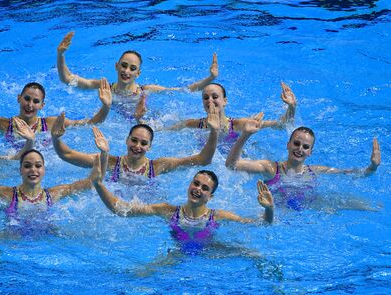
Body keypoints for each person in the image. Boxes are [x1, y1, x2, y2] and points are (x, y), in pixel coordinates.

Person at [89, 152, 274, 255]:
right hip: (177, 253)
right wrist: (98, 184)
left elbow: (260, 223)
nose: (198, 189)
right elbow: (120, 209)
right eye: (196, 183)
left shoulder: (217, 216)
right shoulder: (166, 210)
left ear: (210, 197)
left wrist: (269, 209)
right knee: (142, 275)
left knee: (253, 254)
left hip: (210, 251)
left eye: (204, 188)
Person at [225, 118, 381, 210]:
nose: (300, 149)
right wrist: (245, 135)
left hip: (309, 209)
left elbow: (351, 173)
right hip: (279, 213)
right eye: (296, 143)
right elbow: (232, 165)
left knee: (354, 204)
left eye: (305, 147)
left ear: (310, 152)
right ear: (288, 145)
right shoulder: (271, 168)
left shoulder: (315, 170)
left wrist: (372, 167)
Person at [57, 31, 218, 120]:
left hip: (145, 121)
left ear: (138, 73)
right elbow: (68, 80)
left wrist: (210, 78)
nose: (126, 71)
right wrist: (61, 55)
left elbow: (185, 90)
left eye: (132, 68)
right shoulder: (104, 87)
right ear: (116, 66)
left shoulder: (145, 90)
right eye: (124, 65)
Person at [50, 101, 222, 184]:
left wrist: (214, 132)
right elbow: (67, 155)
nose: (137, 146)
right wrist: (56, 138)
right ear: (126, 140)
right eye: (134, 140)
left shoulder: (159, 166)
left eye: (143, 143)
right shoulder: (109, 162)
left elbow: (203, 160)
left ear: (150, 146)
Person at [0, 72, 112, 149]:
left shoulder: (52, 123)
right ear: (19, 98)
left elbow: (91, 123)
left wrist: (106, 106)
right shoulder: (3, 124)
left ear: (42, 106)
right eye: (27, 98)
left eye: (36, 101)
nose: (30, 104)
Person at [168, 81, 296, 154]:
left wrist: (292, 107)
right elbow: (164, 130)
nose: (210, 101)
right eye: (206, 98)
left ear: (225, 101)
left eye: (215, 97)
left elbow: (281, 125)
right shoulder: (193, 124)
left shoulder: (238, 124)